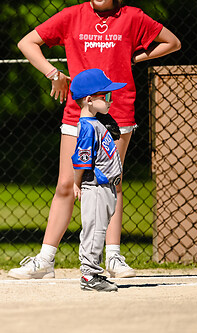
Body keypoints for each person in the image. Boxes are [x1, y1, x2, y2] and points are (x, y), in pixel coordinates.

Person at [8, 0, 181, 279]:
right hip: (77, 112)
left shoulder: (132, 17)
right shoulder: (71, 15)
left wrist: (133, 58)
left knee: (111, 181)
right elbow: (27, 42)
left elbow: (172, 42)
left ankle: (112, 257)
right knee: (66, 183)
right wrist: (53, 73)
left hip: (118, 109)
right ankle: (45, 260)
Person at [70, 68, 126, 291]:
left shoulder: (96, 123)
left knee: (99, 229)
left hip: (106, 187)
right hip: (95, 186)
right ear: (89, 100)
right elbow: (81, 160)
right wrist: (76, 182)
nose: (110, 101)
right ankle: (89, 275)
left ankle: (93, 272)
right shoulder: (86, 127)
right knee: (94, 231)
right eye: (105, 96)